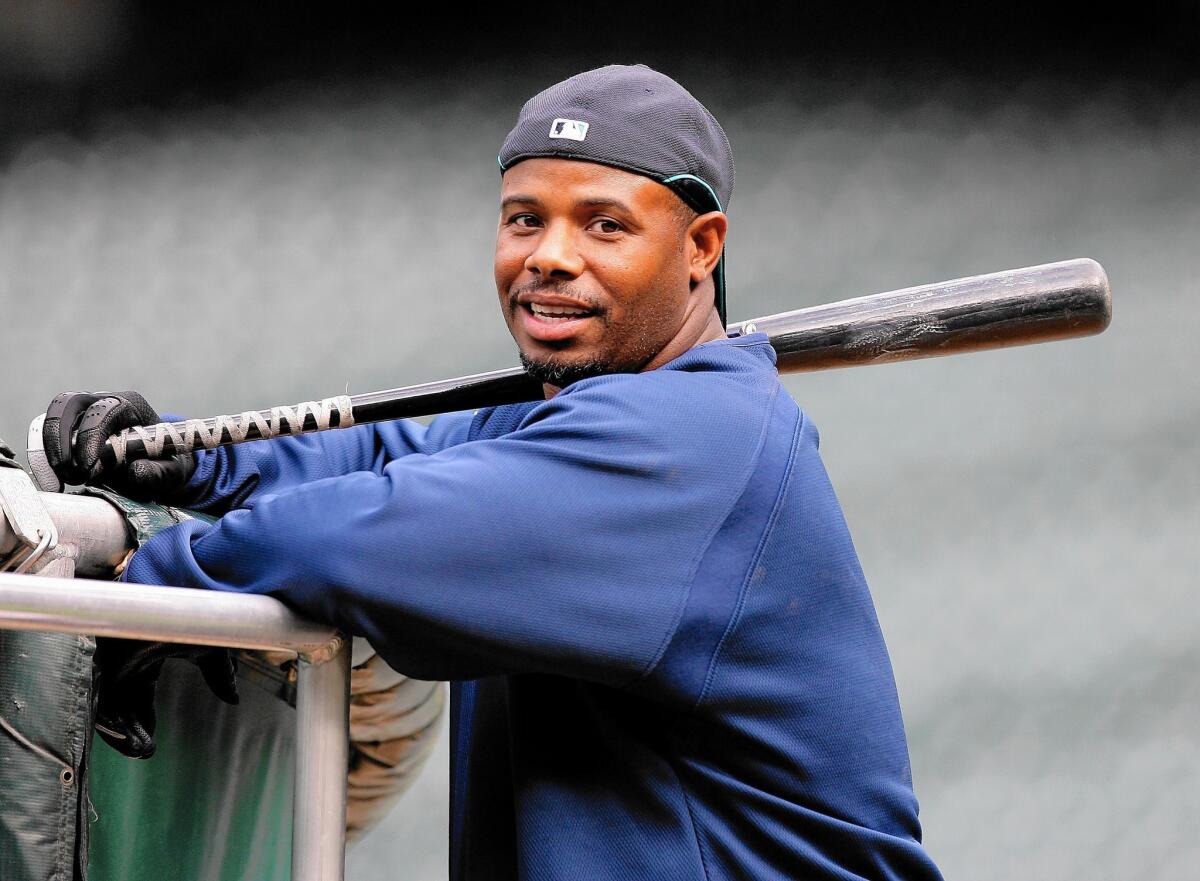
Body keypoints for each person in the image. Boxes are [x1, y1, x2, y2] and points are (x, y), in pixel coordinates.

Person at [46, 65, 944, 880]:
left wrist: (151, 589)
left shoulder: (697, 436)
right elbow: (378, 459)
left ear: (701, 247)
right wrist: (194, 457)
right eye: (526, 219)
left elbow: (368, 532)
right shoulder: (562, 415)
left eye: (604, 223)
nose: (549, 254)